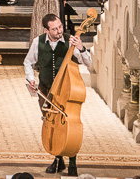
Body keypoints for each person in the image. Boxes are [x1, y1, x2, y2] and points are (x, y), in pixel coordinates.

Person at [24, 14, 92, 177]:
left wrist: (81, 48)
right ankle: (58, 158)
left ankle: (72, 161)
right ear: (46, 30)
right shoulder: (38, 42)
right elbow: (28, 62)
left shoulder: (71, 41)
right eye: (54, 29)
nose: (59, 31)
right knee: (52, 124)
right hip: (46, 90)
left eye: (60, 27)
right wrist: (31, 79)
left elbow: (88, 62)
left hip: (67, 91)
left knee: (70, 125)